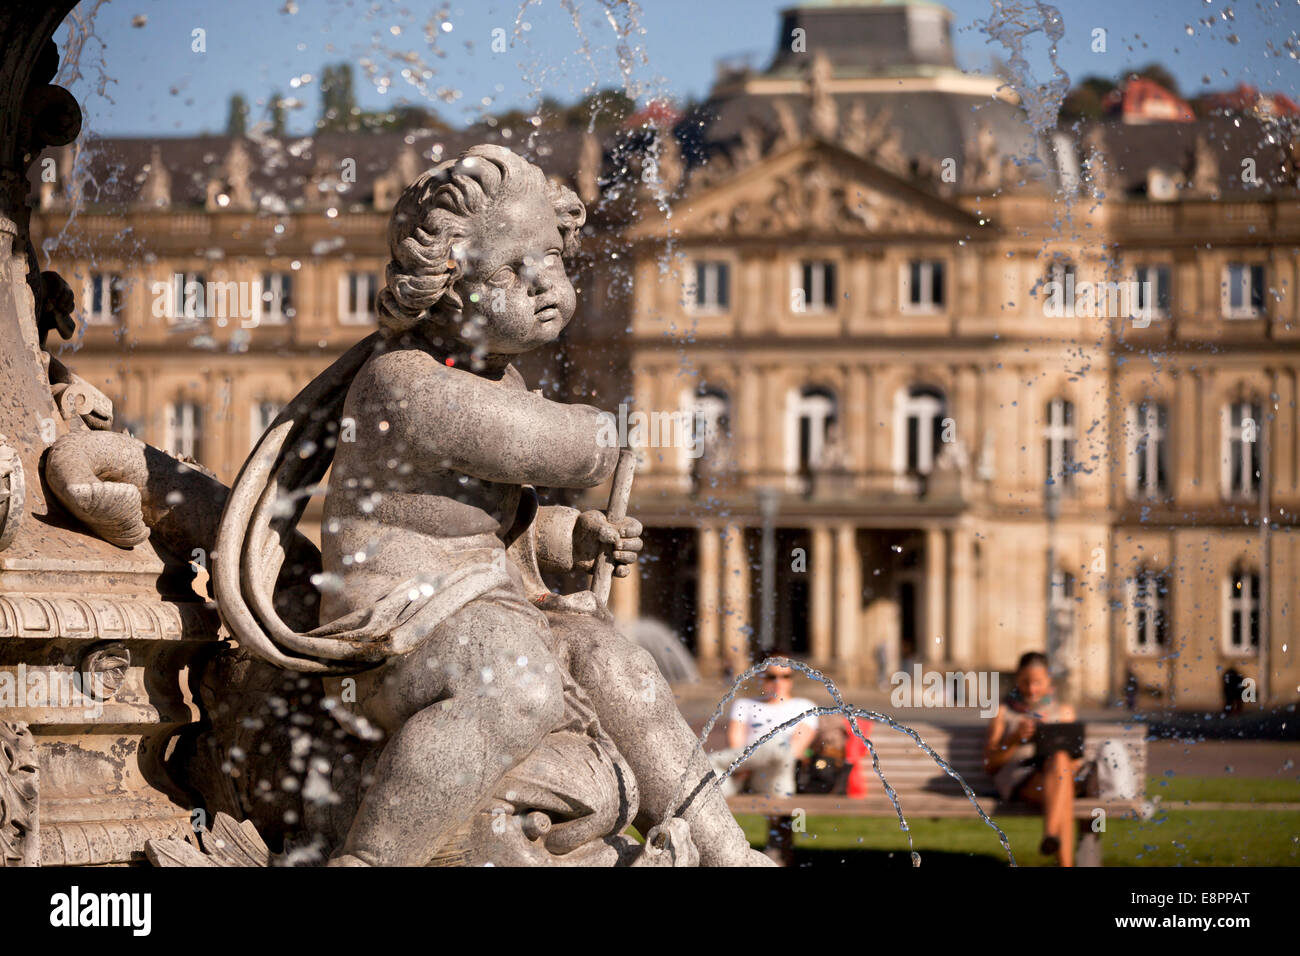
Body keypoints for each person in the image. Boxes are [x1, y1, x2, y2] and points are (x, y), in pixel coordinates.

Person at [221, 145, 768, 866]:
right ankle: (374, 857)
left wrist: (572, 537)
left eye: (556, 262)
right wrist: (603, 434)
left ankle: (727, 852)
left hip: (488, 606)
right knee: (512, 680)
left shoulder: (499, 379)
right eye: (516, 270)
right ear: (446, 284)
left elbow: (494, 519)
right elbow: (550, 447)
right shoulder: (404, 384)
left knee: (620, 666)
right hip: (397, 629)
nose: (549, 288)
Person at [984, 651, 1083, 866]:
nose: (1031, 689)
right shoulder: (1003, 711)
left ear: (1049, 679)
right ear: (1016, 678)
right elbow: (990, 764)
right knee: (1062, 791)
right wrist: (1014, 738)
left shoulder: (1064, 712)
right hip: (1020, 779)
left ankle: (1050, 834)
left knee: (1060, 761)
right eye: (1024, 682)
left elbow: (1076, 762)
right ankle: (1062, 859)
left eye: (1037, 682)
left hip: (1054, 777)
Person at [710, 664, 820, 799]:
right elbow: (735, 742)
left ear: (791, 679)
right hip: (743, 771)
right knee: (713, 780)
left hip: (775, 771)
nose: (778, 681)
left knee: (779, 744)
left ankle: (710, 760)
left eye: (785, 676)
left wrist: (747, 762)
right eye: (771, 677)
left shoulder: (805, 705)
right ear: (760, 677)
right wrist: (745, 767)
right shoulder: (744, 704)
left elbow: (795, 750)